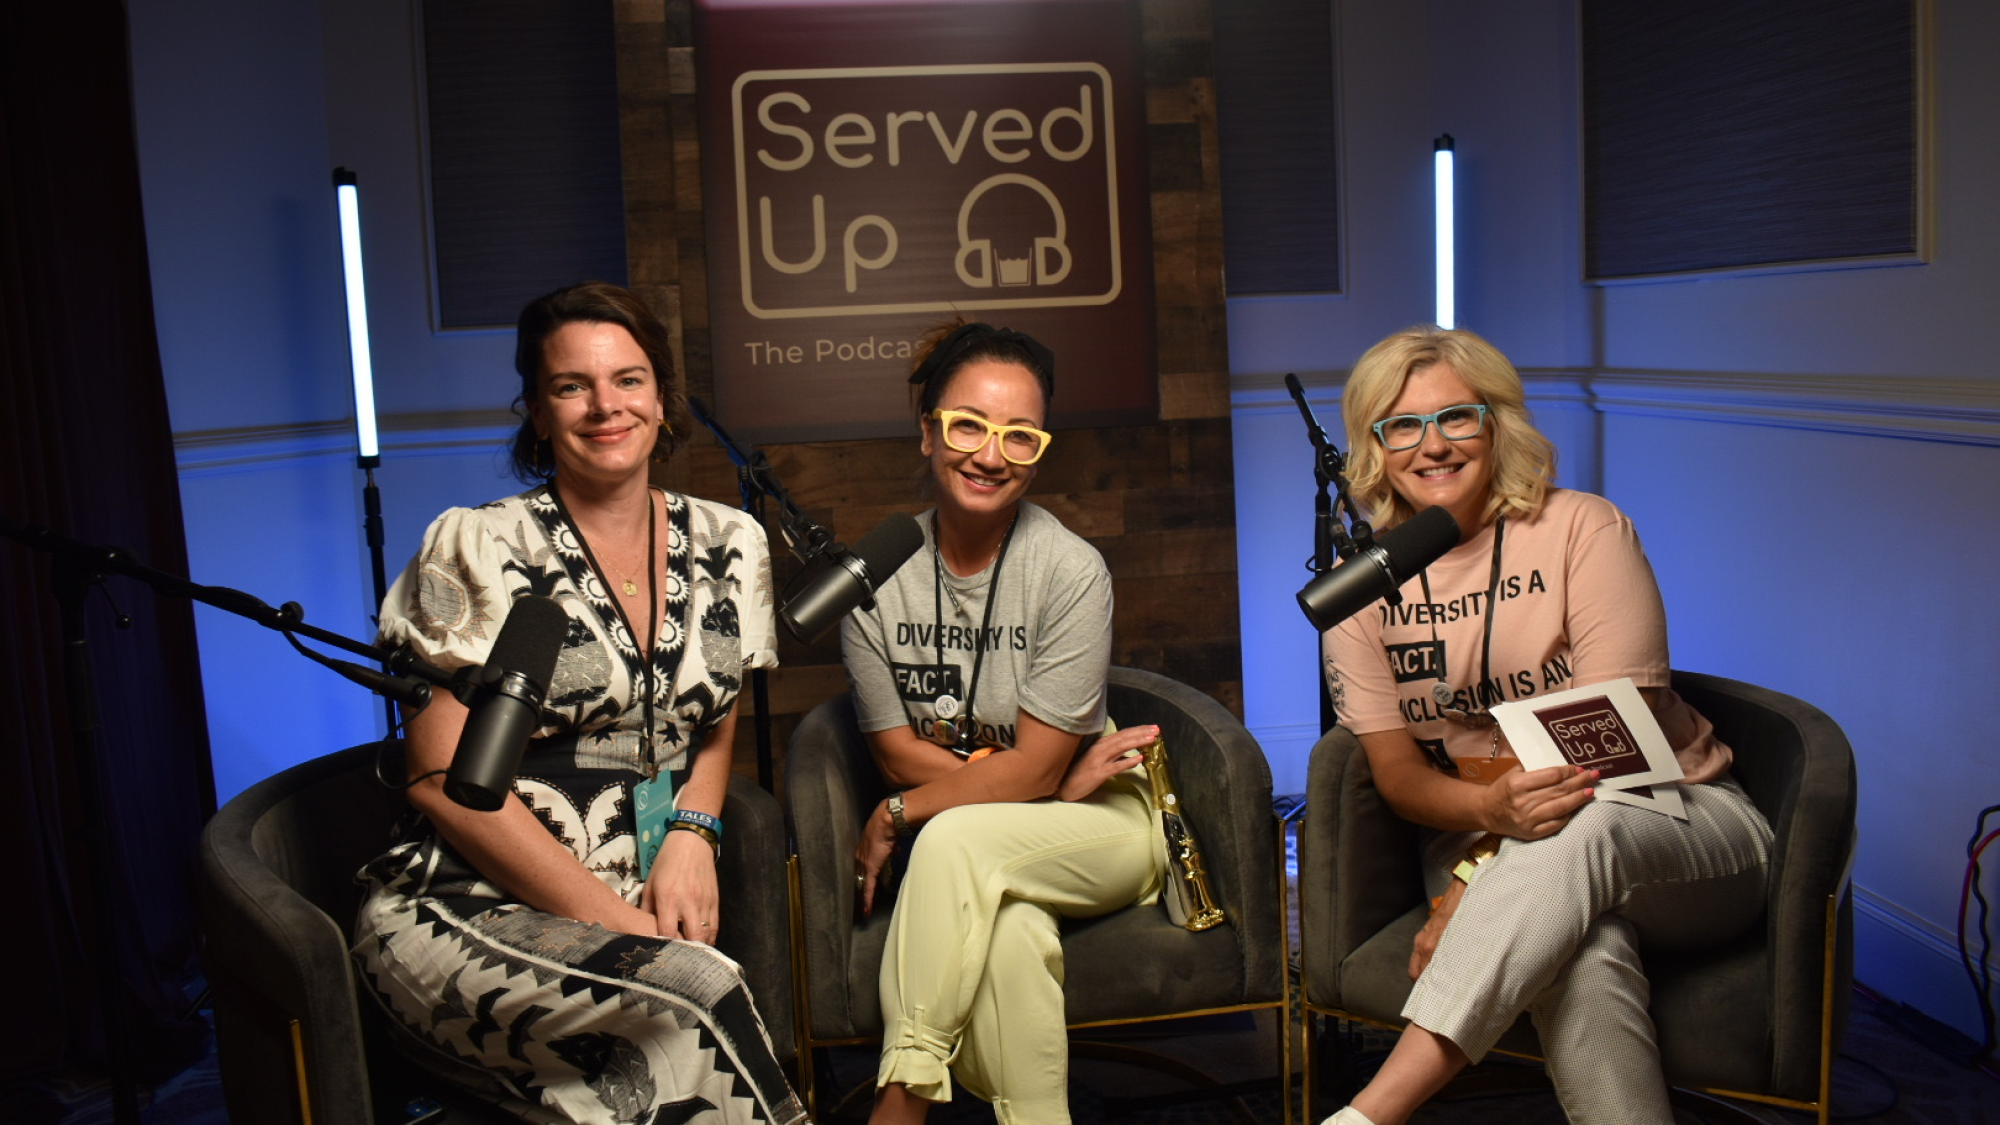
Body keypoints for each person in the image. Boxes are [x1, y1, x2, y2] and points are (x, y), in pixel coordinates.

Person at [352, 282, 806, 1125]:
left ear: (663, 399)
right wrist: (620, 926)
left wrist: (694, 833)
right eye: (572, 386)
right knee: (697, 994)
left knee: (649, 1086)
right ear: (535, 410)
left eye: (629, 380)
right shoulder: (475, 543)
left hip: (637, 898)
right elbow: (435, 773)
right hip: (462, 907)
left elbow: (717, 709)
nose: (606, 405)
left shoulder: (727, 539)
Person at [1317, 326, 1774, 1125]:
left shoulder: (1584, 530)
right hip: (1500, 844)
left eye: (1456, 417)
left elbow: (1607, 757)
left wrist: (1477, 883)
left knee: (1583, 834)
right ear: (1374, 446)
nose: (1432, 445)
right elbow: (1397, 776)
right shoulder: (1362, 590)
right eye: (1402, 426)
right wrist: (1486, 832)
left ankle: (1370, 1114)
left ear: (1497, 423)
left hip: (1675, 821)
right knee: (1579, 951)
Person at [840, 321, 1165, 1125]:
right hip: (1040, 816)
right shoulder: (874, 577)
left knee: (948, 839)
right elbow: (891, 753)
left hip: (1106, 822)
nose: (992, 454)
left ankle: (899, 1102)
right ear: (928, 432)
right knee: (1012, 931)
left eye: (1020, 436)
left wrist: (901, 814)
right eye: (968, 426)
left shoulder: (1069, 570)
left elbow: (923, 782)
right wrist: (1037, 784)